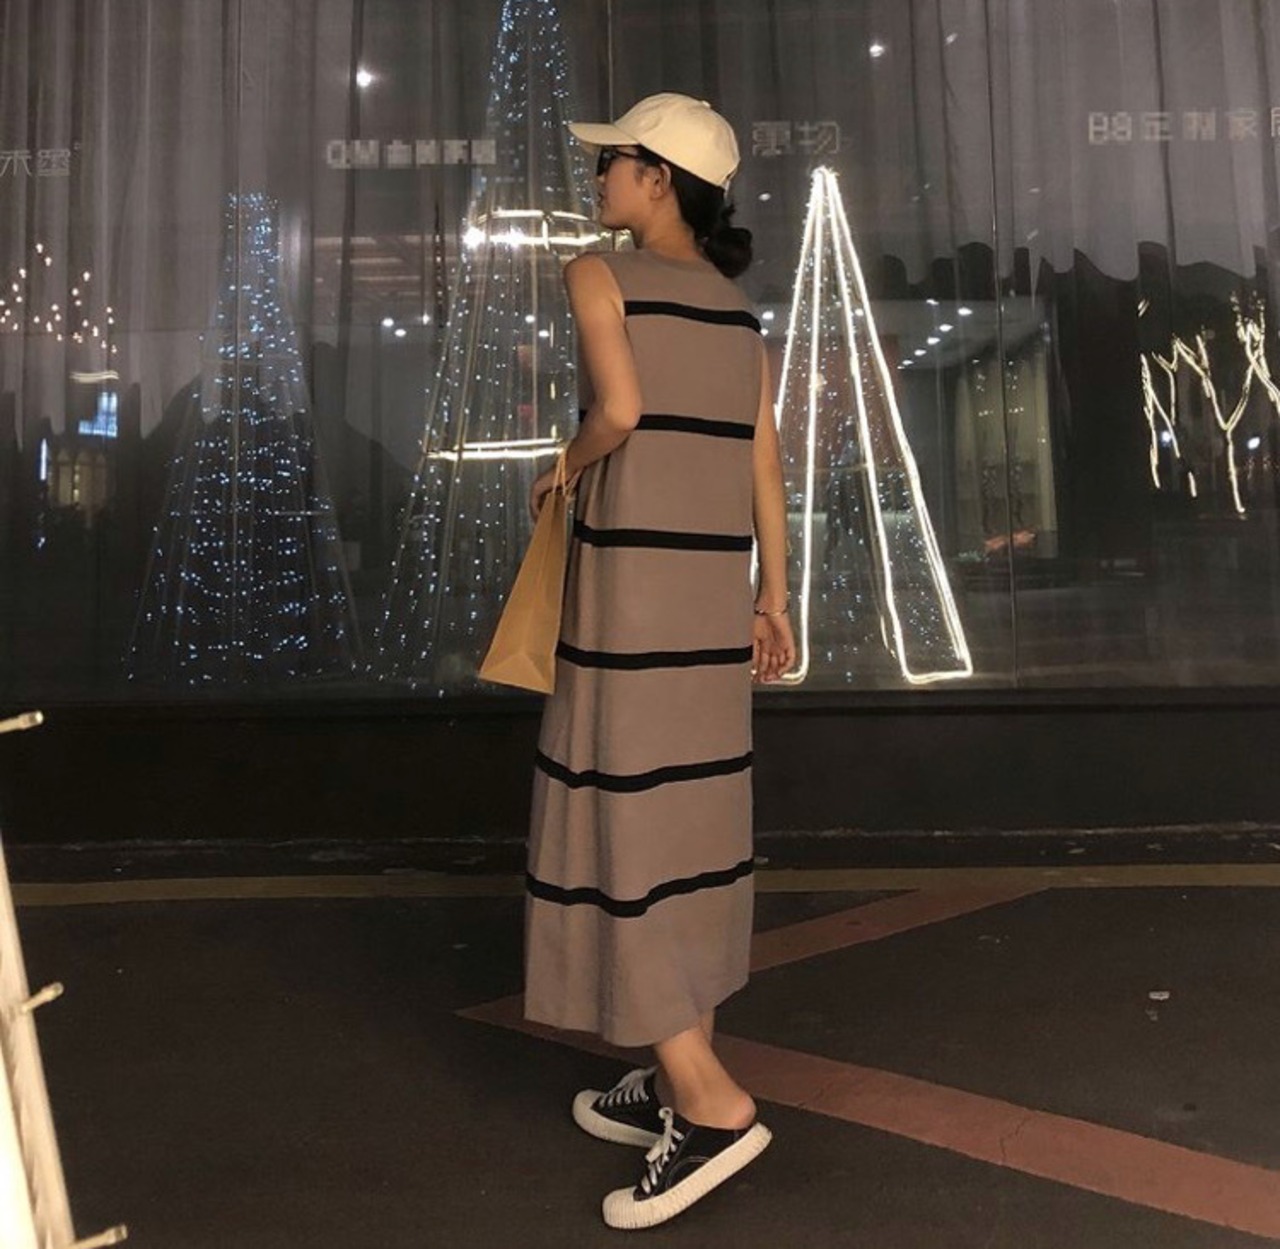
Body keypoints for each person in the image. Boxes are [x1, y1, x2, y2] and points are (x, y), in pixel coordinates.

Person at [525, 92, 795, 1231]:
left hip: (632, 596)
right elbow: (762, 463)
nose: (599, 179)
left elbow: (622, 411)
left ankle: (710, 1102)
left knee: (624, 822)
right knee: (687, 825)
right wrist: (773, 596)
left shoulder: (599, 274)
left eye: (614, 162)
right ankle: (675, 1072)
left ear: (656, 180)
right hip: (709, 600)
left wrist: (565, 461)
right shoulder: (739, 315)